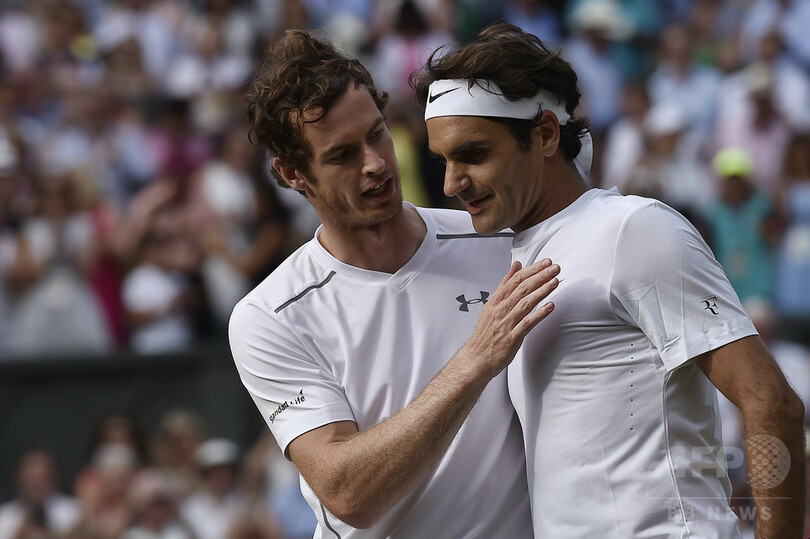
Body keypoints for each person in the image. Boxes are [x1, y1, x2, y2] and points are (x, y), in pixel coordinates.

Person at [414, 22, 806, 538]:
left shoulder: (634, 229)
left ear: (546, 135)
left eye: (474, 154)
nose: (451, 183)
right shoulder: (520, 252)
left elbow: (773, 403)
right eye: (443, 160)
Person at [229, 29, 561, 537]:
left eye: (377, 133)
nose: (376, 163)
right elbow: (347, 494)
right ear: (293, 173)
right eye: (342, 155)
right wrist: (476, 360)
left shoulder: (498, 240)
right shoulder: (269, 315)